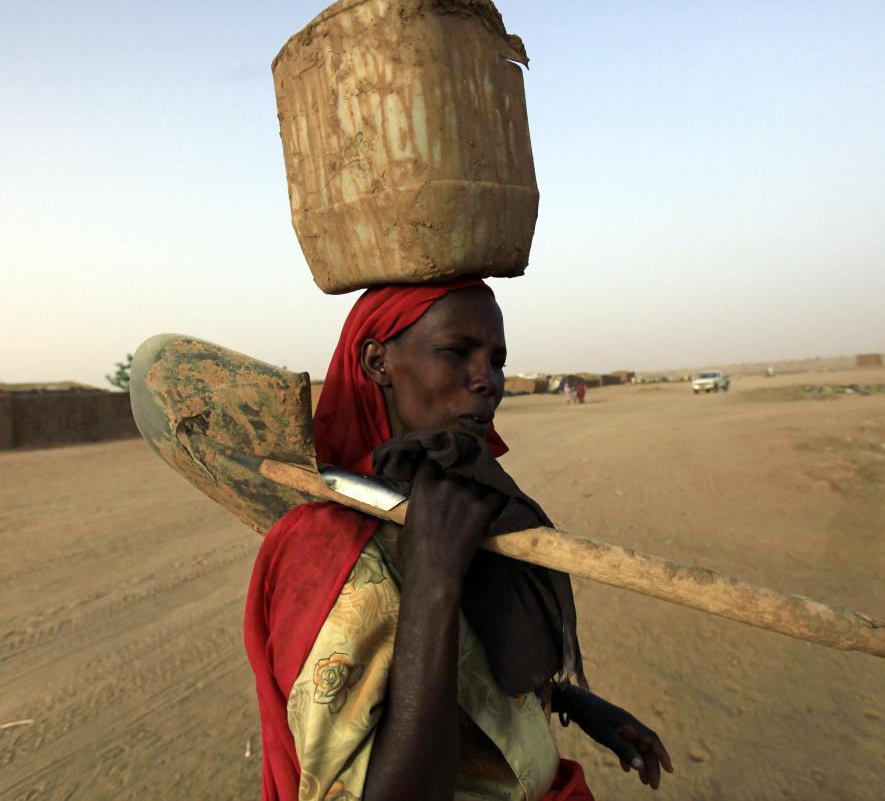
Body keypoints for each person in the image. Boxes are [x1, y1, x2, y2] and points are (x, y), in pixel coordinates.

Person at [244, 279, 672, 800]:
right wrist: (433, 580)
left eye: (496, 360)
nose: (487, 380)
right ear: (377, 362)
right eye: (457, 352)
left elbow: (464, 662)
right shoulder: (325, 549)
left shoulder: (455, 501)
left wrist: (567, 702)